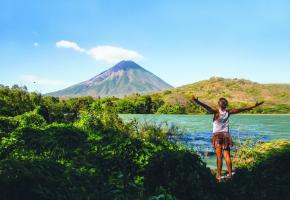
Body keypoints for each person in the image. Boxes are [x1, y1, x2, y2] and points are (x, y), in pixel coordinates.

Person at [192, 95, 264, 180]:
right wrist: (253, 106)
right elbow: (241, 110)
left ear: (219, 105)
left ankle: (219, 176)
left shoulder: (216, 112)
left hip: (217, 136)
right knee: (227, 156)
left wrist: (197, 101)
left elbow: (206, 107)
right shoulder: (228, 112)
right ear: (226, 105)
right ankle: (230, 175)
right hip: (226, 136)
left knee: (219, 157)